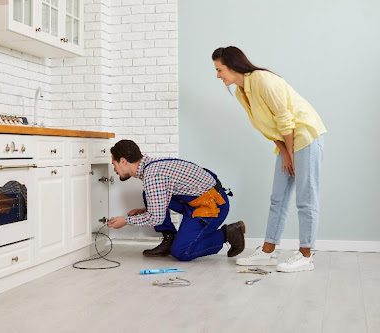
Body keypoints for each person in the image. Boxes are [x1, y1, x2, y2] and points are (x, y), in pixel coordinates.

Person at [212, 46, 326, 272]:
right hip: (288, 141)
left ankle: (306, 255)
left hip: (305, 134)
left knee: (305, 197)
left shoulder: (262, 80)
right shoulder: (241, 92)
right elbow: (265, 127)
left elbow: (284, 119)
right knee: (278, 198)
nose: (217, 75)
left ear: (233, 67)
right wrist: (284, 152)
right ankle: (268, 251)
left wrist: (291, 153)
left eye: (219, 70)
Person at [107, 139, 245, 261]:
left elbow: (156, 219)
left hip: (212, 206)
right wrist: (147, 210)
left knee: (181, 252)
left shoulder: (153, 175)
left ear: (123, 161)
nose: (114, 169)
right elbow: (159, 198)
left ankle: (229, 234)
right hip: (196, 200)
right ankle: (170, 239)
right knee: (148, 194)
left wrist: (126, 221)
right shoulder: (152, 166)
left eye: (114, 164)